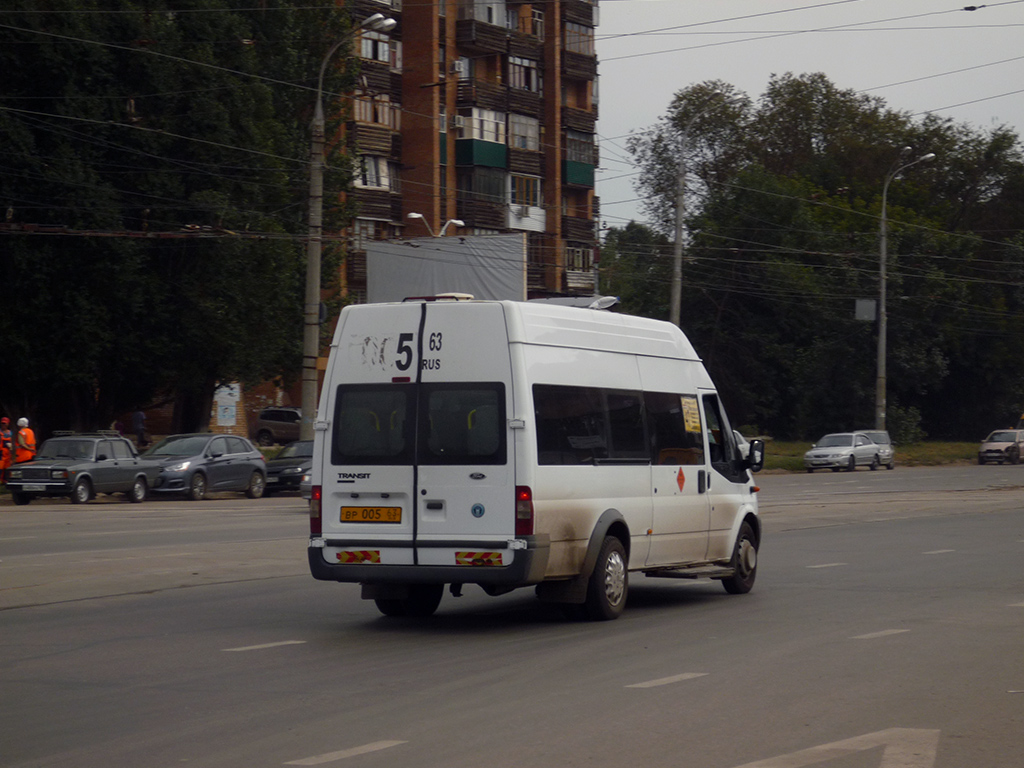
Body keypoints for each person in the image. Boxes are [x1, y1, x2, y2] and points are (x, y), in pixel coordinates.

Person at [0, 417, 12, 483]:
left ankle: (5, 480)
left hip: (8, 453)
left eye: (5, 423)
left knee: (7, 468)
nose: (3, 425)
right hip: (1, 453)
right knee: (0, 468)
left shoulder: (10, 433)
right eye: (2, 423)